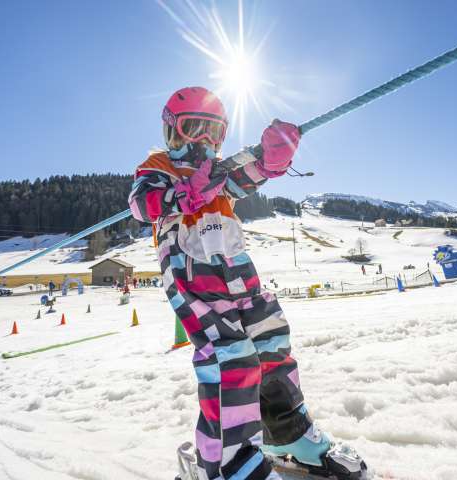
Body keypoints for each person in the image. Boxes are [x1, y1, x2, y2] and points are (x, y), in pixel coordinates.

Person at [129, 87, 365, 480]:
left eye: (214, 133)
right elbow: (140, 203)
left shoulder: (218, 175)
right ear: (172, 131)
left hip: (238, 271)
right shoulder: (159, 166)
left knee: (270, 339)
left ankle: (286, 433)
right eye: (193, 129)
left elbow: (244, 176)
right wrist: (180, 194)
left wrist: (271, 158)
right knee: (230, 356)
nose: (204, 141)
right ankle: (227, 463)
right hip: (192, 274)